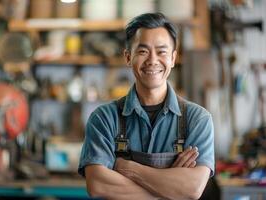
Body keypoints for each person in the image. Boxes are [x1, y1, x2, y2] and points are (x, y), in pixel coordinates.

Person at [78, 12, 214, 200]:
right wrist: (169, 189)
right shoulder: (104, 118)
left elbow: (192, 189)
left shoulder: (197, 119)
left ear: (173, 58)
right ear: (127, 57)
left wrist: (128, 168)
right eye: (142, 51)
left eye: (162, 52)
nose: (152, 60)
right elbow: (97, 185)